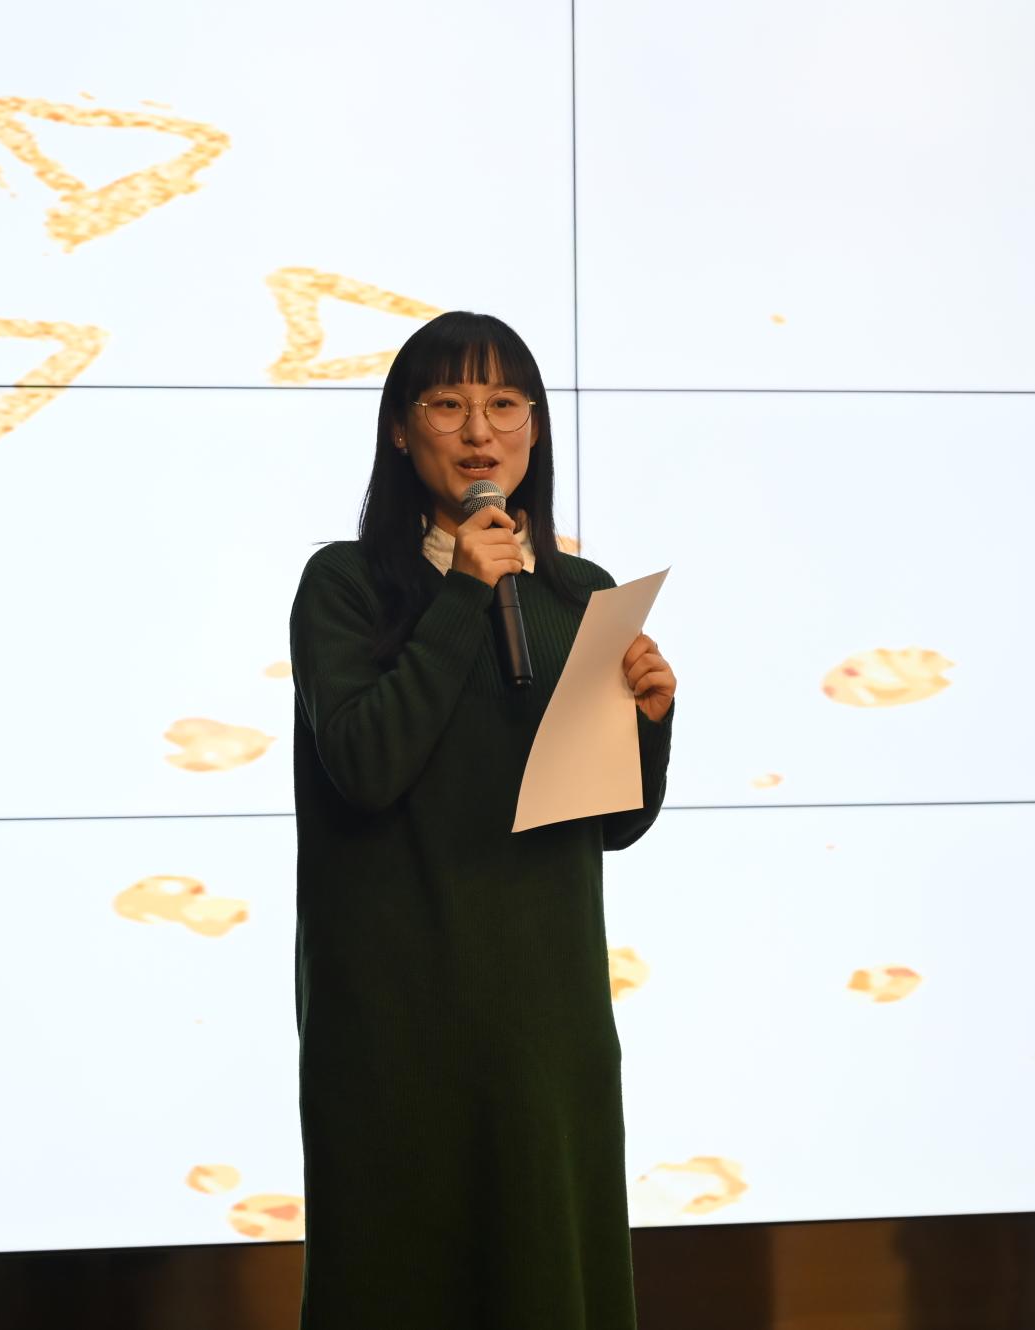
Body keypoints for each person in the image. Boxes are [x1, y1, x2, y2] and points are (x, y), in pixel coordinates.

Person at [288, 310, 676, 1328]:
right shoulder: (346, 586)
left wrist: (649, 722)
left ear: (534, 429)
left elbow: (610, 823)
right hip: (398, 1024)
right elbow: (365, 765)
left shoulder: (580, 592)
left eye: (504, 403)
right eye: (447, 403)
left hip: (548, 1022)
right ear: (399, 429)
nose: (478, 430)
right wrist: (462, 594)